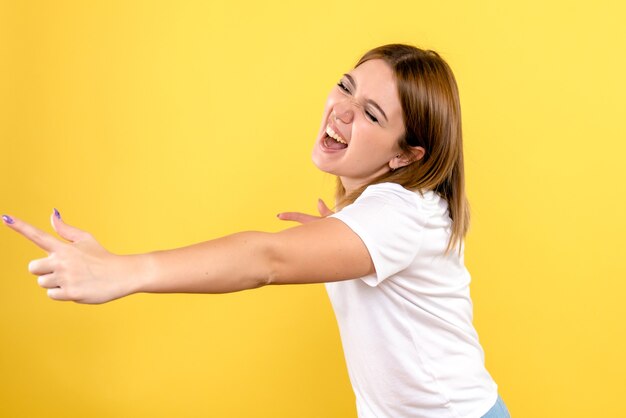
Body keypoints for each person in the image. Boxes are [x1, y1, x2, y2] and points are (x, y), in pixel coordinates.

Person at [2, 44, 510, 418]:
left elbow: (265, 260)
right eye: (346, 86)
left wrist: (124, 271)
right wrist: (340, 237)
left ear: (405, 155)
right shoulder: (384, 215)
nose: (342, 110)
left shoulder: (399, 214)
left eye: (372, 114)